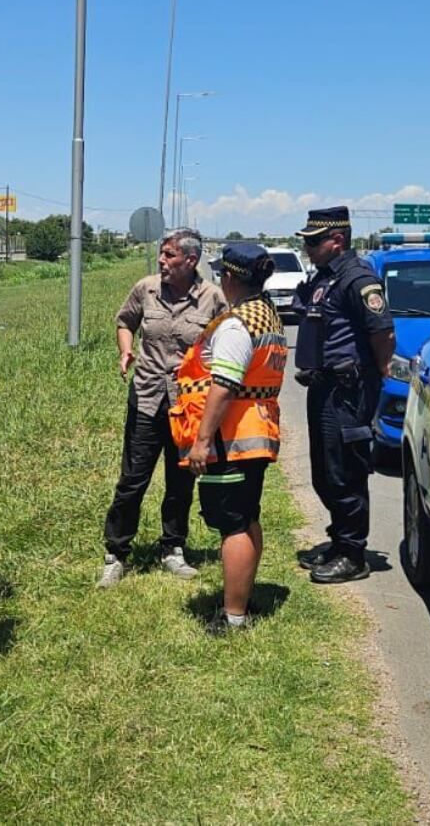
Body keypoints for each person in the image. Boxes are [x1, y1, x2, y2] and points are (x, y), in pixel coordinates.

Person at [98, 229, 228, 588]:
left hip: (188, 404)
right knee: (132, 481)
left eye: (169, 255)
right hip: (147, 396)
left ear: (191, 259)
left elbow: (228, 341)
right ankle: (116, 552)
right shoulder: (146, 288)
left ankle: (173, 548)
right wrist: (125, 349)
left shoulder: (212, 298)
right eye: (161, 254)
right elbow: (126, 321)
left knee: (180, 480)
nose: (161, 260)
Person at [170, 243, 287, 635]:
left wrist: (202, 442)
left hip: (232, 438)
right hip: (255, 432)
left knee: (232, 524)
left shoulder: (237, 324)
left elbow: (222, 387)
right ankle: (242, 596)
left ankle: (233, 616)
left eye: (222, 274)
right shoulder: (266, 314)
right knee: (247, 516)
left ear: (231, 277)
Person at [293, 207, 395, 584]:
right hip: (323, 386)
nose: (307, 247)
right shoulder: (325, 277)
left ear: (337, 240)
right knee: (325, 470)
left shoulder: (358, 279)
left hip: (348, 390)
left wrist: (378, 376)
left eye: (314, 241)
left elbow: (382, 333)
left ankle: (353, 554)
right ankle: (339, 541)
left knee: (345, 472)